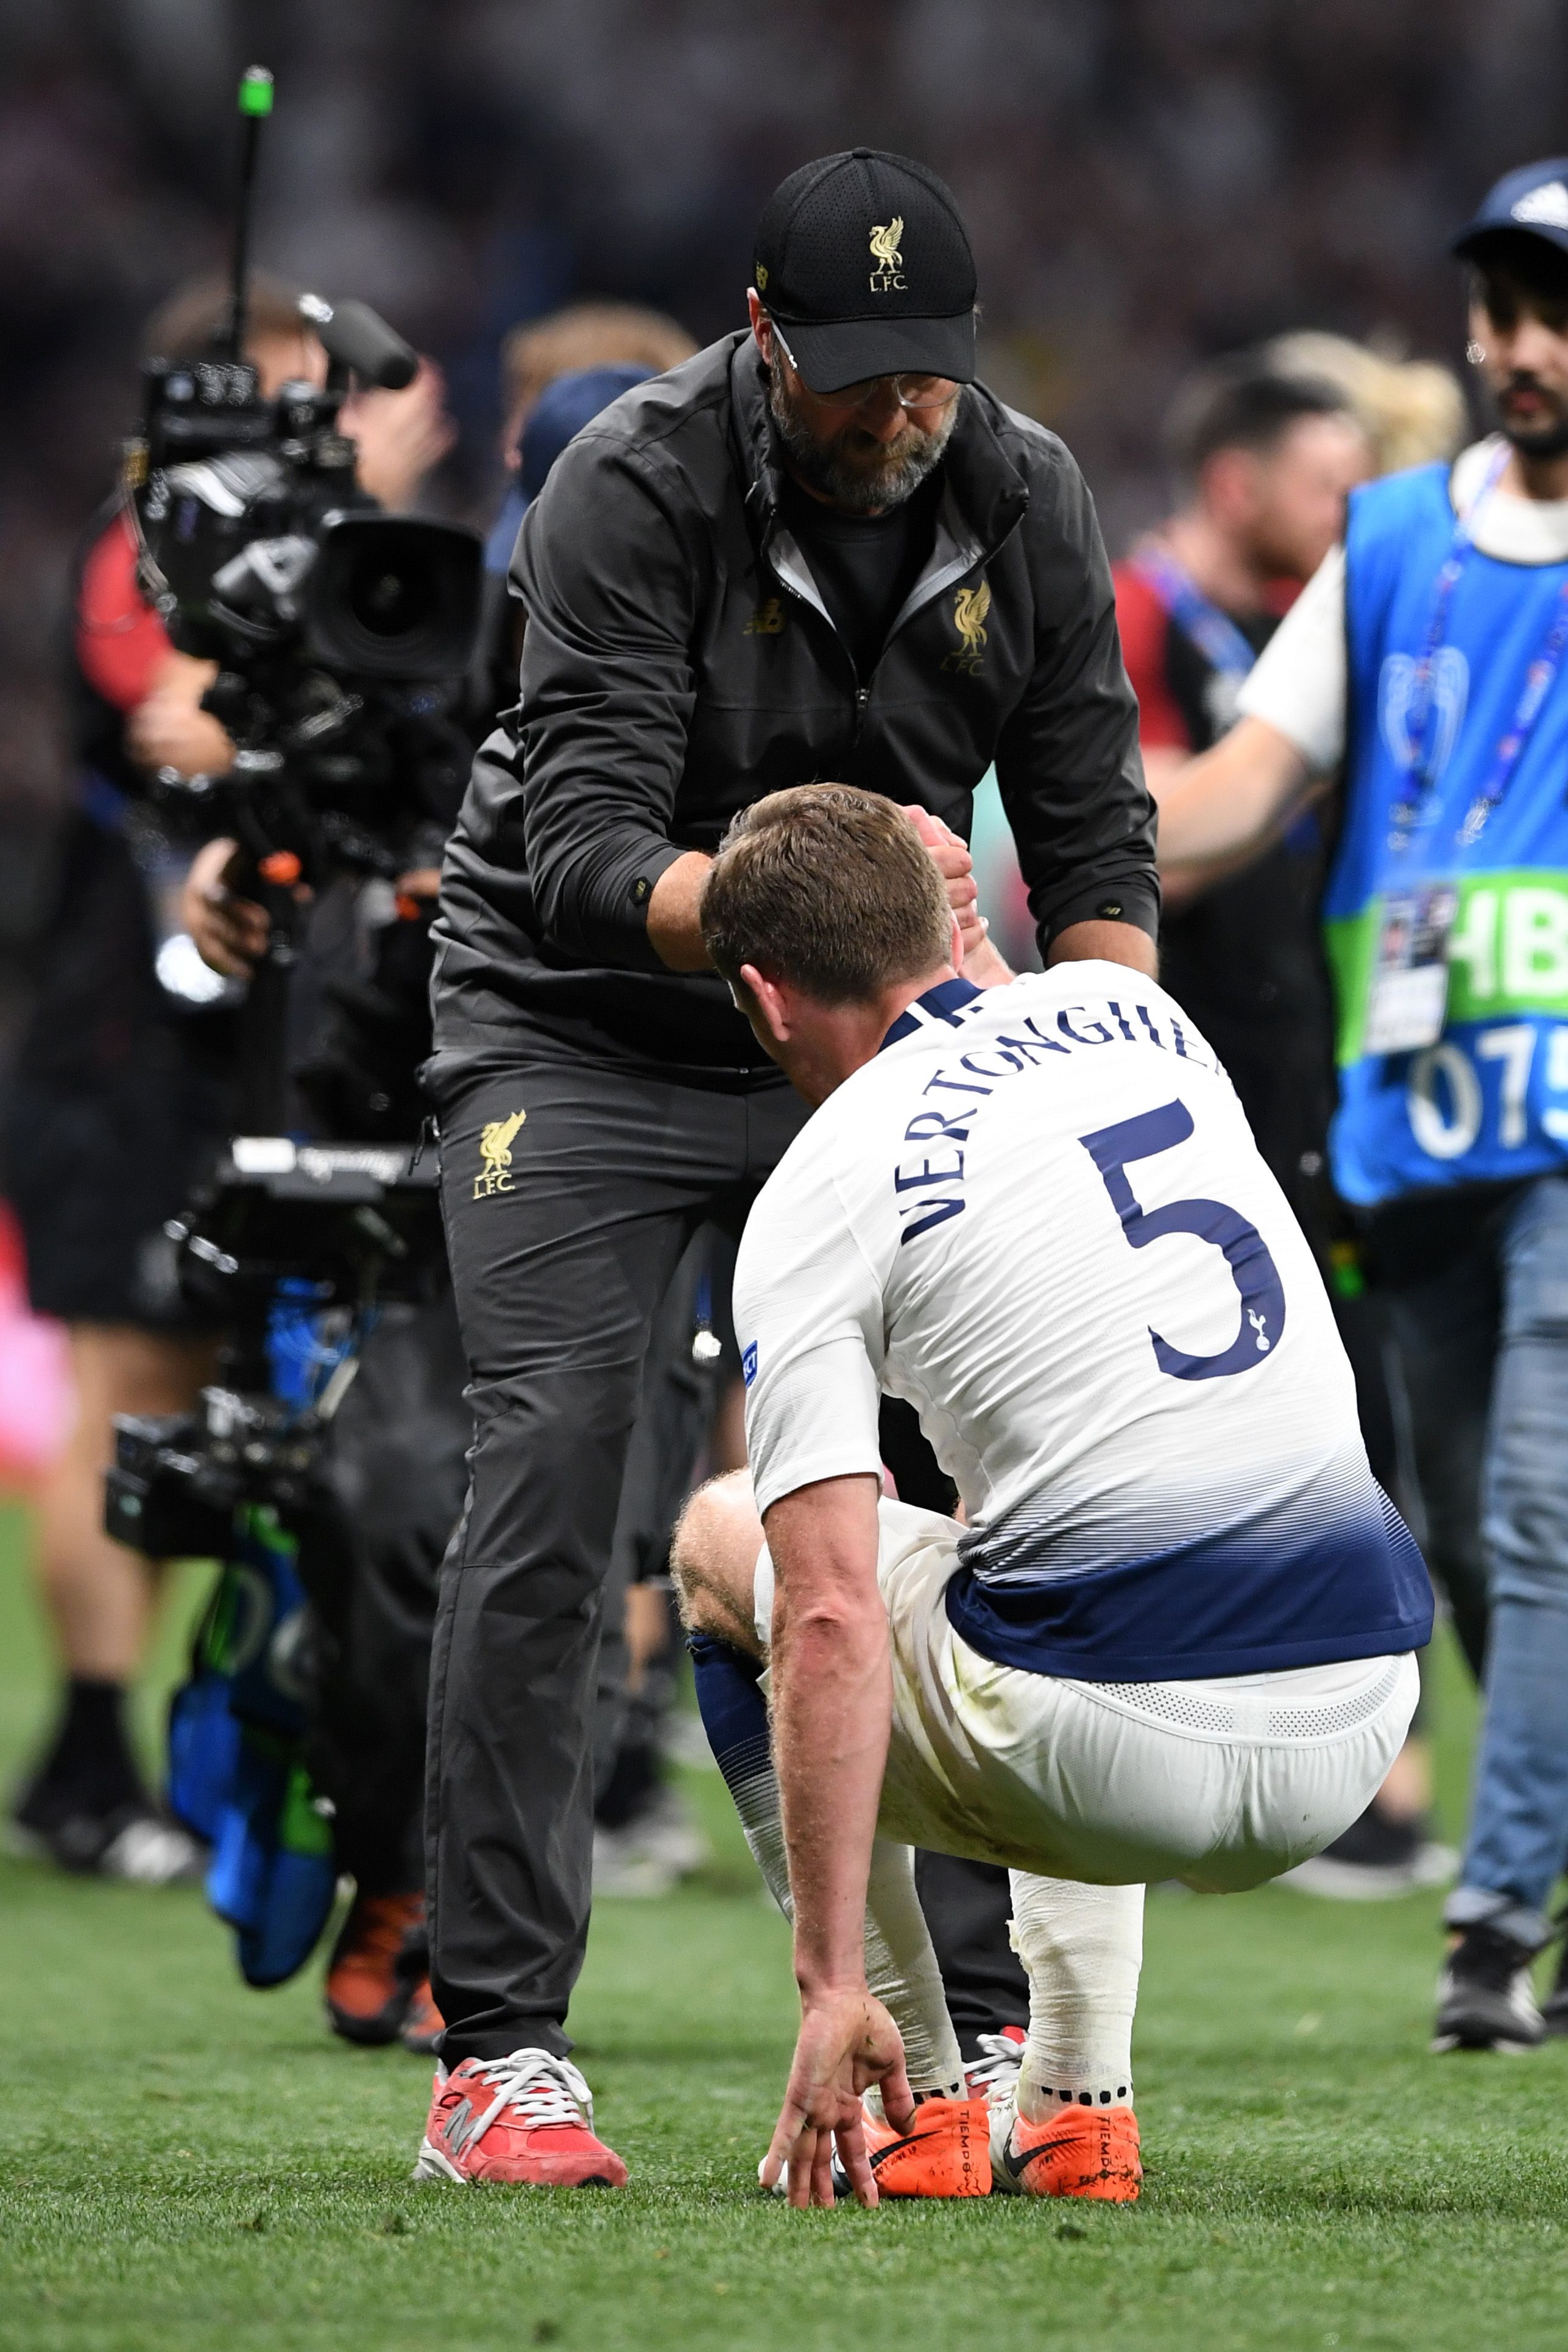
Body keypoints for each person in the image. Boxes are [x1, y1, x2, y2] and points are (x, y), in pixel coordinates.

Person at [414, 145, 1159, 2190]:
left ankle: (985, 2034)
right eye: (853, 377)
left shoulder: (1025, 491)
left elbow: (1094, 837)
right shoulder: (628, 484)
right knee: (561, 1465)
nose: (895, 415)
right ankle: (497, 2054)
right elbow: (572, 849)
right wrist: (814, 893)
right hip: (580, 1020)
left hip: (858, 1041)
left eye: (928, 376)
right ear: (763, 335)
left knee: (952, 1488)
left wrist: (1104, 1072)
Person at [651, 783, 1429, 2209]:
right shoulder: (1144, 1013)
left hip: (1115, 1745)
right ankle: (1079, 2108)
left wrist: (827, 1975)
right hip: (1367, 1708)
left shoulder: (819, 1186)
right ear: (946, 922)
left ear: (760, 991)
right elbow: (1001, 1032)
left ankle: (924, 2102)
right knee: (1034, 1540)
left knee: (725, 1546)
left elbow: (823, 1613)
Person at [1155, 158, 1568, 2052]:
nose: (1519, 350)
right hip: (1413, 1123)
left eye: (1548, 314)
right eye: (1498, 312)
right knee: (1474, 1544)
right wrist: (1049, 870)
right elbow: (1248, 779)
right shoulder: (1391, 539)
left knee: (1538, 1507)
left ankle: (1488, 1924)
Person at [4, 273, 450, 1889]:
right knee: (134, 1377)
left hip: (270, 1029)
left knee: (238, 1396)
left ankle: (187, 1741)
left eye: (328, 395)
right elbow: (182, 726)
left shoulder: (337, 558)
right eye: (286, 392)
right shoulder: (151, 543)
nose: (316, 423)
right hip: (128, 1035)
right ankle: (85, 1747)